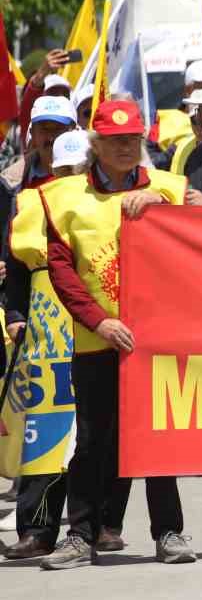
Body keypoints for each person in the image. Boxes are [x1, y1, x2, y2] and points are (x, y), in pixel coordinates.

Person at [37, 101, 202, 570]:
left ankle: (169, 531)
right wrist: (98, 321)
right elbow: (62, 270)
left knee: (158, 439)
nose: (128, 147)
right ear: (96, 146)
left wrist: (165, 206)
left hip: (157, 342)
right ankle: (79, 535)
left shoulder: (170, 187)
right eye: (116, 140)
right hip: (96, 342)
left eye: (134, 139)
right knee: (93, 443)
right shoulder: (65, 197)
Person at [0, 97, 77, 561]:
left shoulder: (92, 187)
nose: (48, 139)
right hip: (41, 324)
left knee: (85, 429)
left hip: (88, 320)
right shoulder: (18, 189)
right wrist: (15, 313)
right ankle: (37, 529)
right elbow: (17, 261)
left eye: (58, 129)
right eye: (42, 129)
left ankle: (95, 525)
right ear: (31, 136)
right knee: (39, 428)